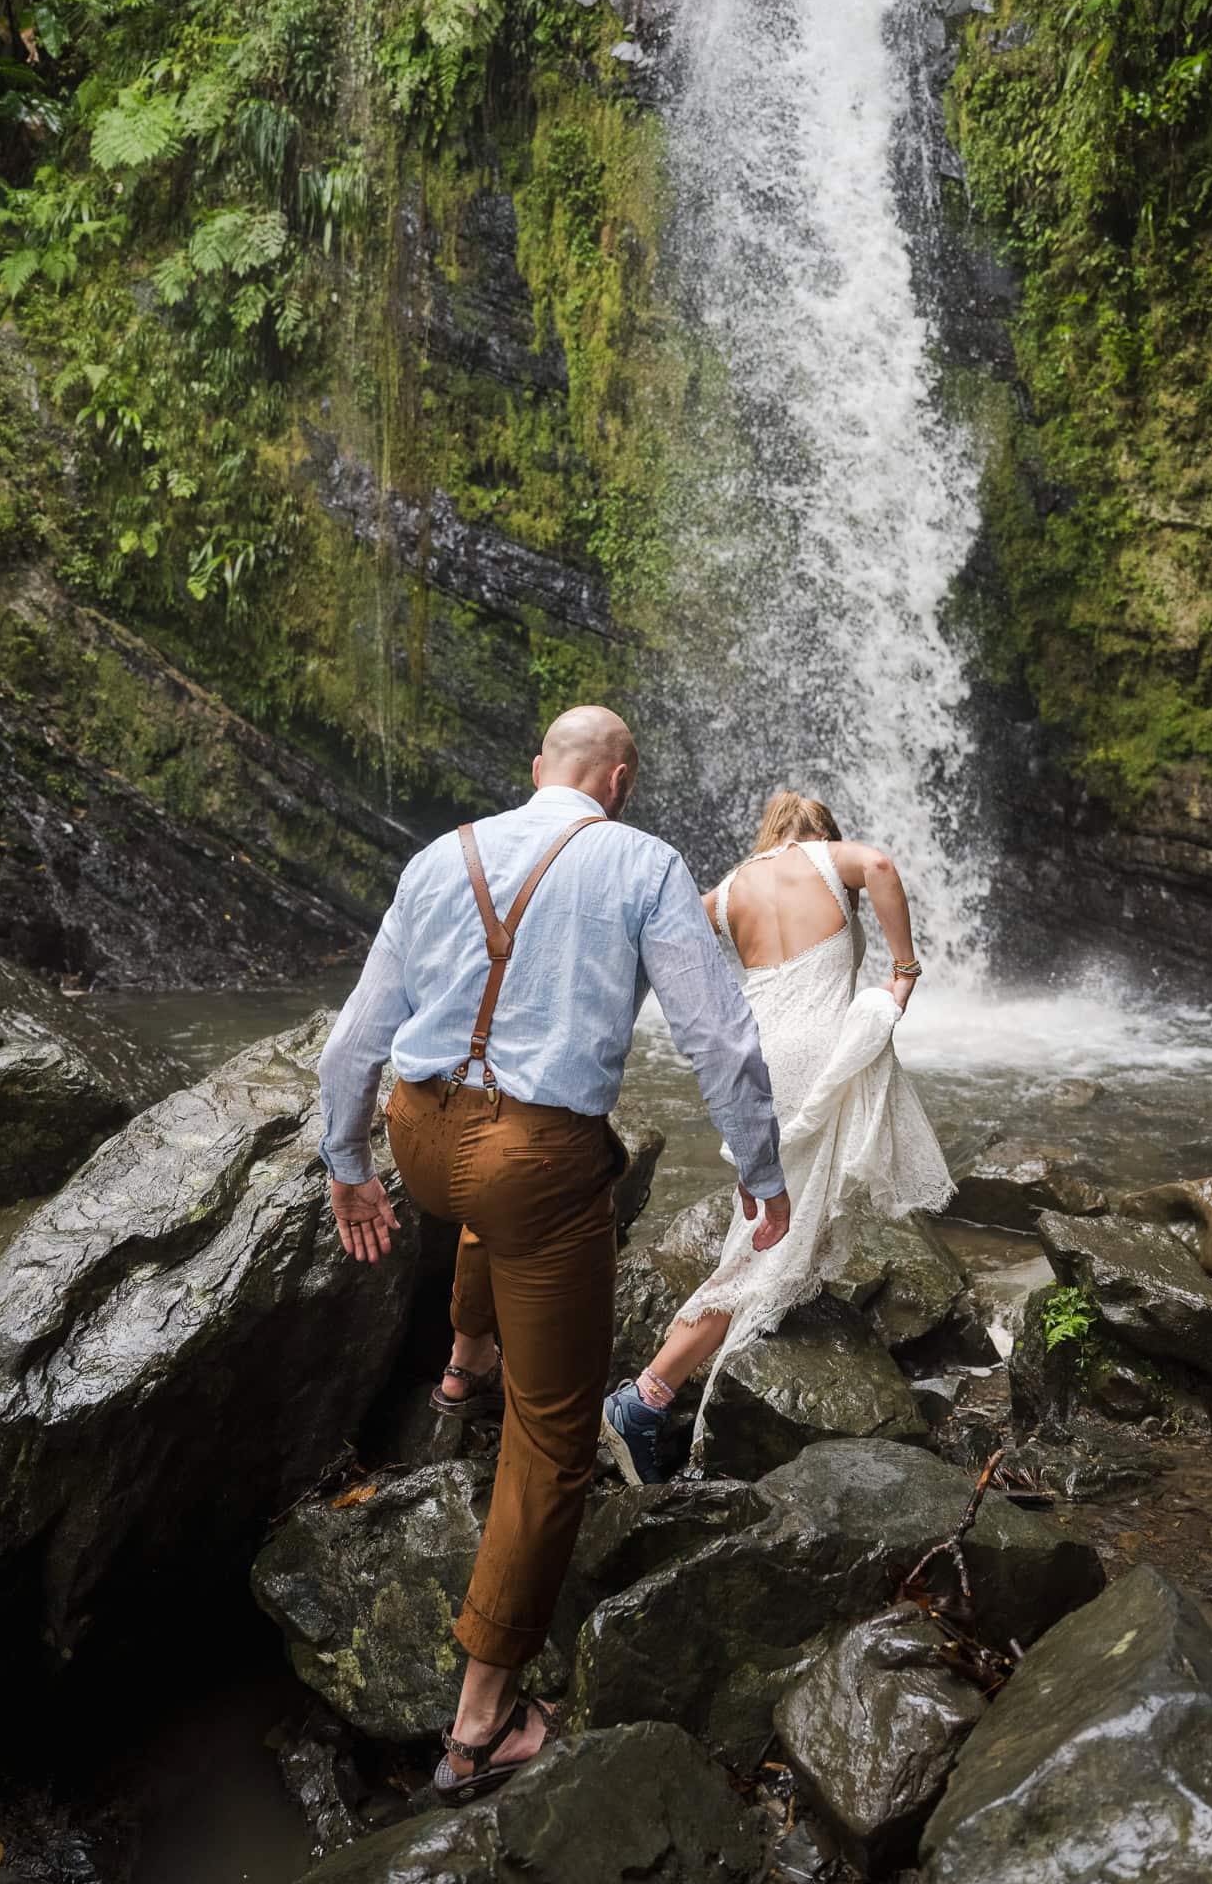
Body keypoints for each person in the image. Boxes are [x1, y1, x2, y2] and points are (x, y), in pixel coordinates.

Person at [316, 705, 788, 1803]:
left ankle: (460, 1362)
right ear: (616, 781)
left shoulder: (443, 854)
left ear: (537, 770)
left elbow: (355, 1034)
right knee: (554, 1429)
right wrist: (759, 1170)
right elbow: (717, 1034)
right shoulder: (643, 861)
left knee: (495, 1201)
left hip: (418, 1136)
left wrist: (348, 1163)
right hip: (531, 1158)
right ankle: (484, 1721)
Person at [601, 789, 953, 1486]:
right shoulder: (827, 860)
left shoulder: (727, 891)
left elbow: (660, 946)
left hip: (758, 1058)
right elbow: (880, 864)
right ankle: (643, 1398)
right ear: (820, 834)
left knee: (766, 1221)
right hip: (817, 1055)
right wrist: (903, 969)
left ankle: (663, 1389)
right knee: (767, 1251)